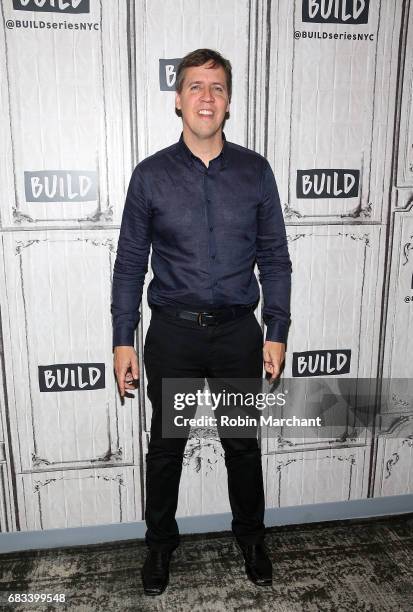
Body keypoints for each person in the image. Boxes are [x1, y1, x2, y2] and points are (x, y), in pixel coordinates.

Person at [111, 48, 292, 596]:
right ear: (178, 99)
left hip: (239, 332)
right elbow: (128, 264)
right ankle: (159, 546)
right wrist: (124, 339)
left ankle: (252, 539)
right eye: (195, 86)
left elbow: (276, 259)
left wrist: (276, 329)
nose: (206, 97)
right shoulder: (150, 177)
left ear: (229, 101)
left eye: (216, 87)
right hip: (173, 334)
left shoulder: (256, 172)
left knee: (243, 445)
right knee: (166, 447)